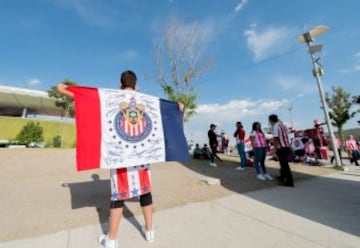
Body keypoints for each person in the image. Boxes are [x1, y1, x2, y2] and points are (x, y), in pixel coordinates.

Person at [57, 70, 184, 248]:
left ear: (120, 84)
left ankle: (112, 239)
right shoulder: (148, 101)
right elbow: (179, 106)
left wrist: (63, 88)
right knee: (145, 192)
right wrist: (176, 105)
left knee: (118, 196)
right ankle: (149, 232)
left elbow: (66, 92)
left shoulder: (110, 98)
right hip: (141, 156)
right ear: (136, 85)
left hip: (120, 157)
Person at [268, 114, 294, 187]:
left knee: (284, 165)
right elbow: (287, 136)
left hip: (281, 148)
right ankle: (282, 177)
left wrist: (275, 149)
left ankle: (289, 182)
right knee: (283, 164)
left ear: (271, 120)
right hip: (286, 146)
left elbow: (276, 139)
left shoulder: (276, 127)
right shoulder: (283, 126)